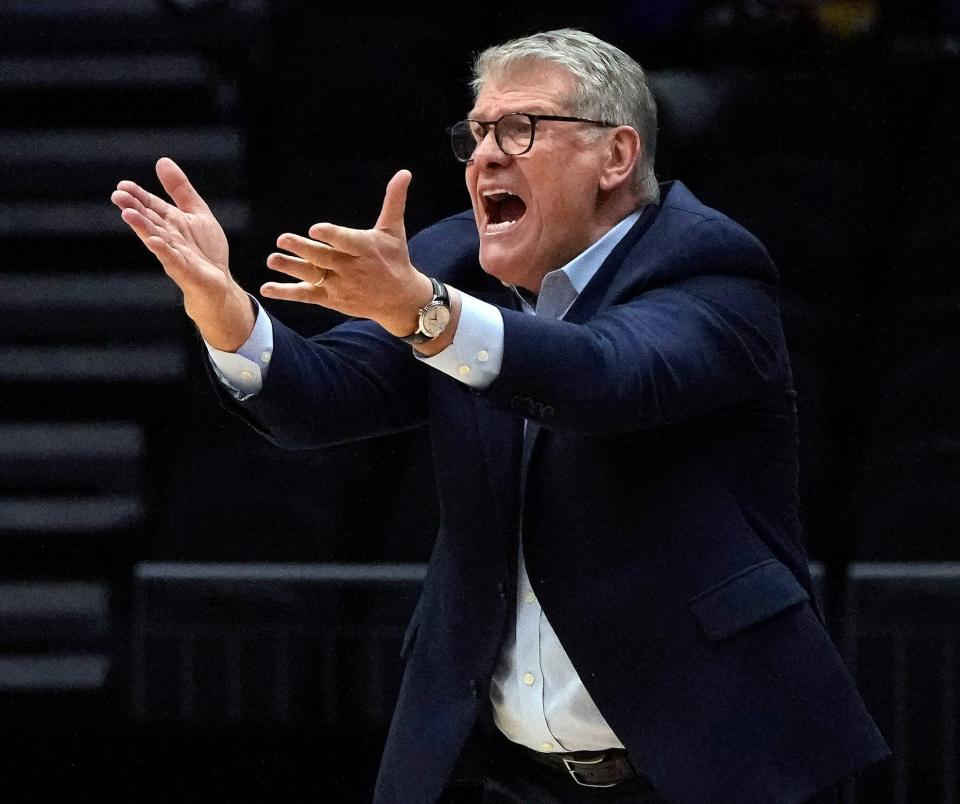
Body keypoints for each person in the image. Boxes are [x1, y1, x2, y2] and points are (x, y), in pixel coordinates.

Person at [112, 28, 888, 804]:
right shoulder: (453, 262)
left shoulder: (709, 266)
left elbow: (603, 377)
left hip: (707, 760)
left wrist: (427, 316)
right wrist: (221, 308)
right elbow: (322, 399)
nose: (485, 155)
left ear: (615, 156)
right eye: (476, 132)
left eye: (521, 127)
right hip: (499, 770)